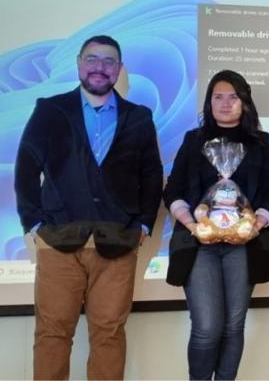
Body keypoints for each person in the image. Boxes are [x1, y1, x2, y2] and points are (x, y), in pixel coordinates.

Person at [14, 35, 163, 380]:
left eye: (109, 61)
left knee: (109, 335)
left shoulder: (139, 117)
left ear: (119, 69)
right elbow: (25, 168)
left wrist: (142, 225)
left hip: (118, 243)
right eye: (93, 59)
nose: (100, 67)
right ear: (79, 63)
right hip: (58, 241)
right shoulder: (50, 110)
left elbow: (151, 174)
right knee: (53, 334)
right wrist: (34, 224)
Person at [164, 70, 269, 380]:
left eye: (233, 96)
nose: (226, 103)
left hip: (245, 246)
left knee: (234, 325)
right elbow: (173, 190)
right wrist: (192, 225)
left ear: (244, 102)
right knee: (207, 327)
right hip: (198, 245)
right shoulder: (193, 141)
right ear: (208, 102)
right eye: (218, 96)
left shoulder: (260, 142)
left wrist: (257, 223)